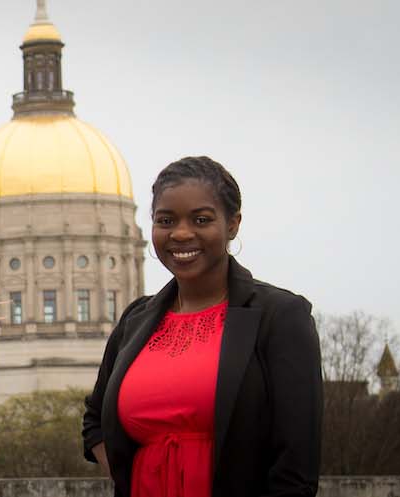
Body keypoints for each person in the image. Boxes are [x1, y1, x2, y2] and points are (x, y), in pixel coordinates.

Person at [81, 156, 320, 497]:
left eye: (201, 219)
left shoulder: (280, 316)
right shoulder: (135, 321)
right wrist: (129, 477)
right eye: (166, 220)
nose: (181, 233)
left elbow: (297, 464)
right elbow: (94, 422)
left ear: (233, 224)